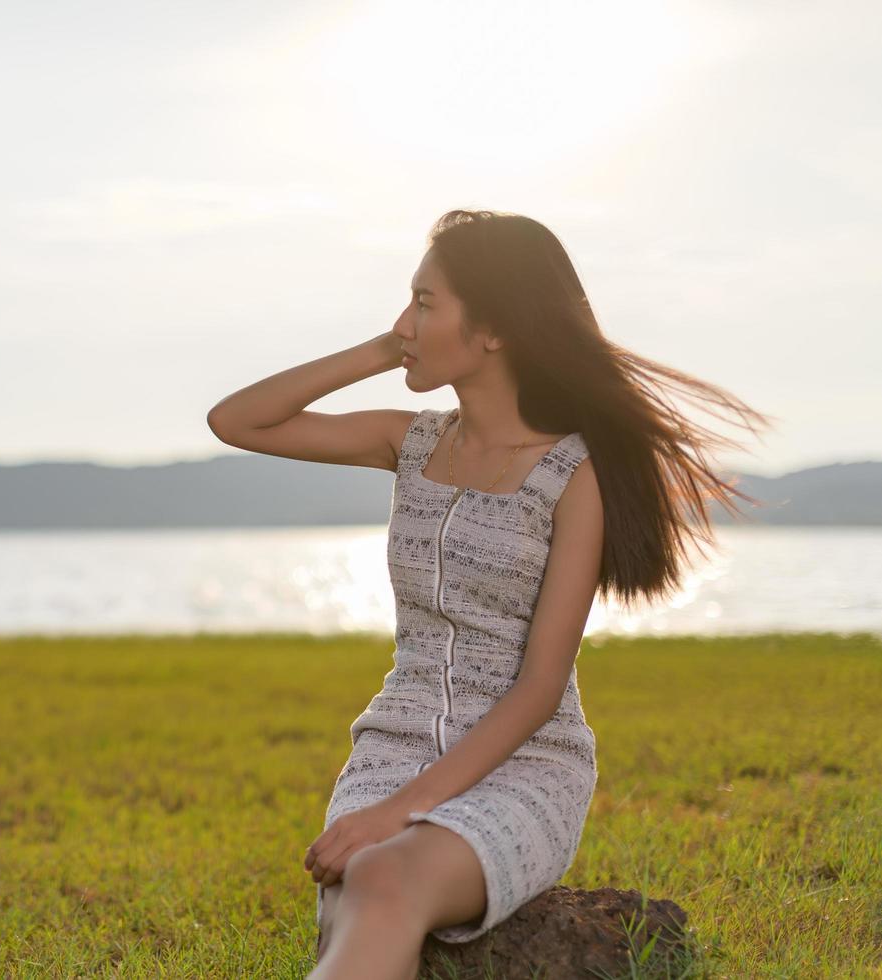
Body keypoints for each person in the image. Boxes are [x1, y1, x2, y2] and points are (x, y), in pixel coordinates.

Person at [205, 209, 772, 979]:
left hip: (526, 761)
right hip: (392, 745)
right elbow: (236, 420)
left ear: (495, 327)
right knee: (356, 892)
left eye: (426, 303)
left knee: (378, 874)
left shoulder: (572, 473)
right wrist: (388, 346)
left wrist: (397, 815)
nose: (407, 319)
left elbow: (540, 687)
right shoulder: (407, 442)